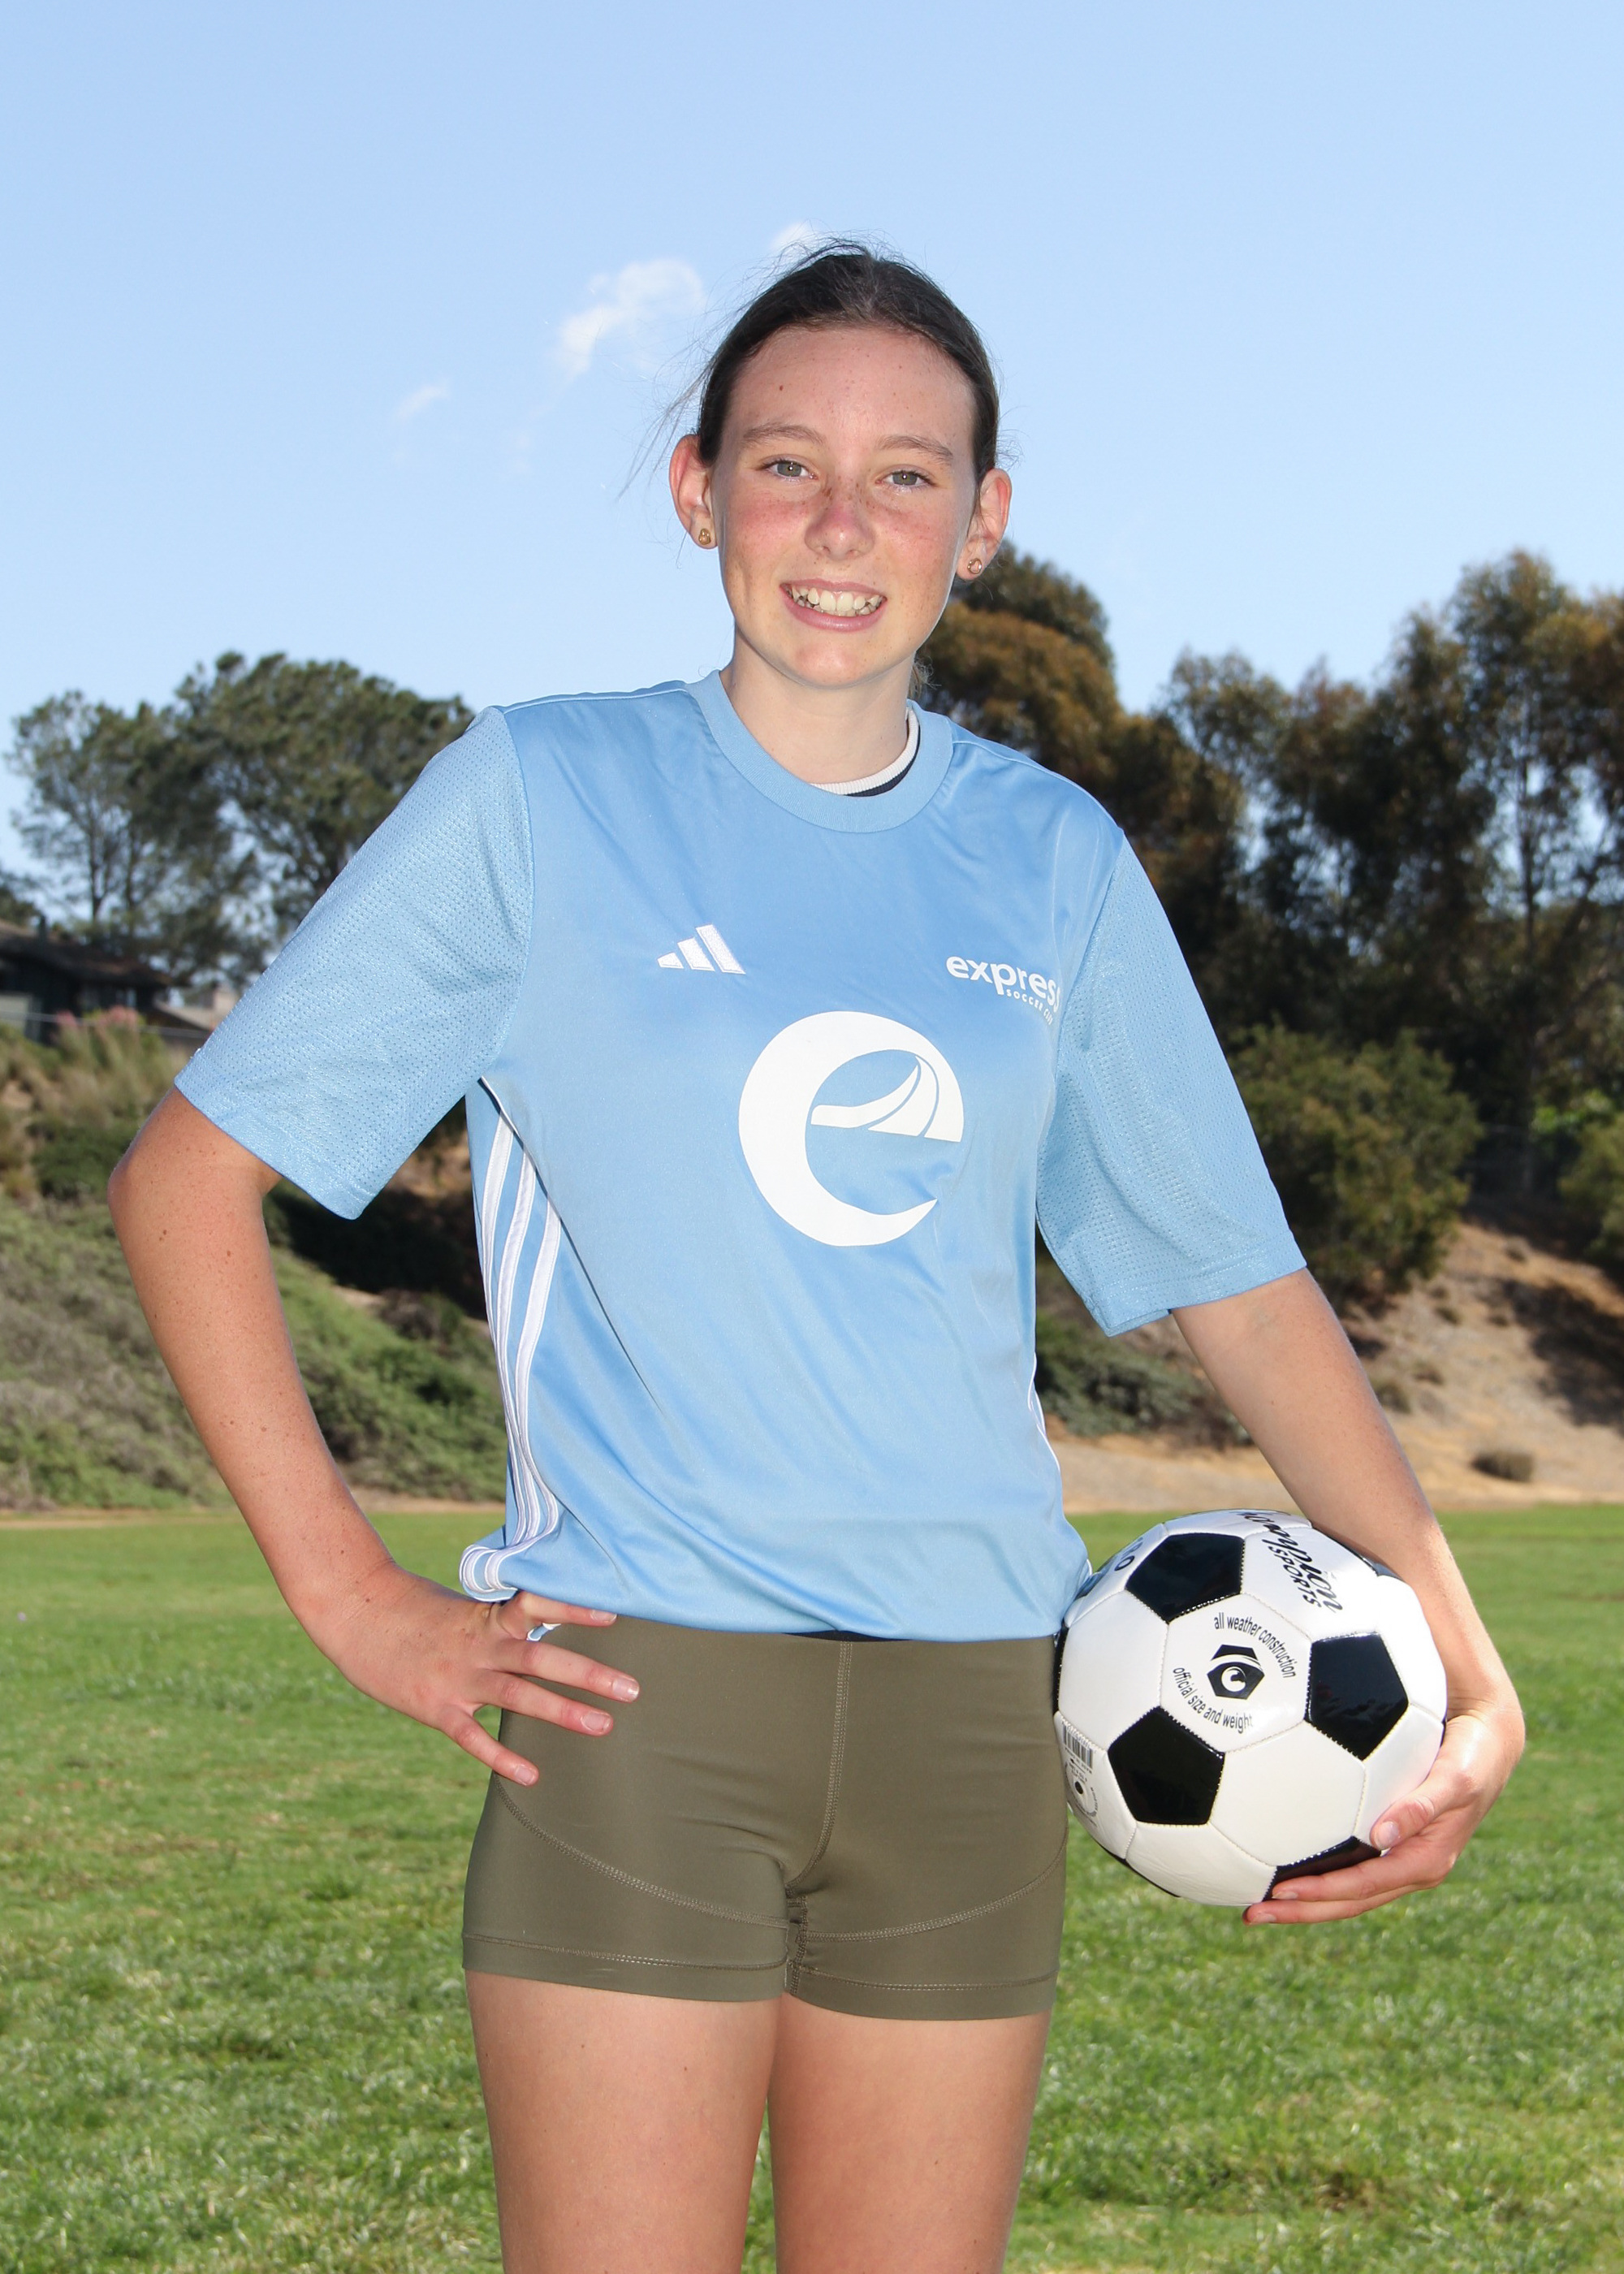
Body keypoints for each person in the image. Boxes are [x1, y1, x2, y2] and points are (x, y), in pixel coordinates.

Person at [110, 244, 1524, 2274]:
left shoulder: (1051, 859)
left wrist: (1470, 1674)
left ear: (983, 520)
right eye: (786, 464)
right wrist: (354, 1600)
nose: (842, 524)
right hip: (641, 1705)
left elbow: (1241, 1286)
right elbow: (184, 1180)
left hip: (980, 1722)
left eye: (905, 475)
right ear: (701, 490)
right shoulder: (542, 795)